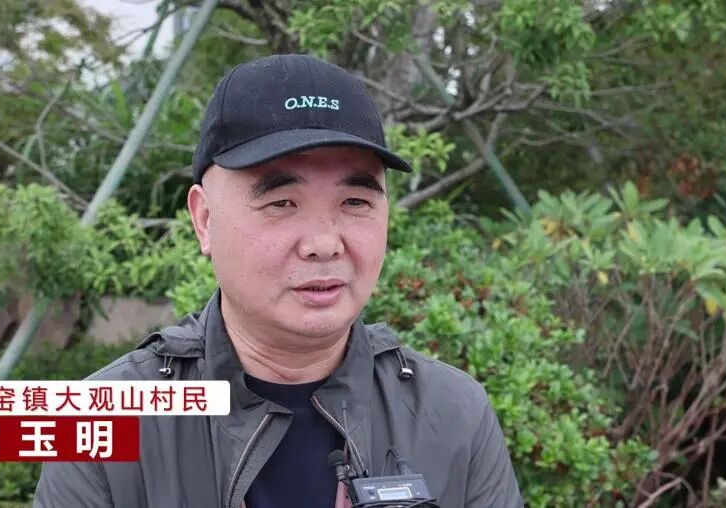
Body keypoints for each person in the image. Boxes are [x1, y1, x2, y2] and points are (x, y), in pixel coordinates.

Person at [34, 53, 523, 508]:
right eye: (281, 202)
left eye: (355, 202)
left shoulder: (454, 414)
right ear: (204, 220)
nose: (324, 243)